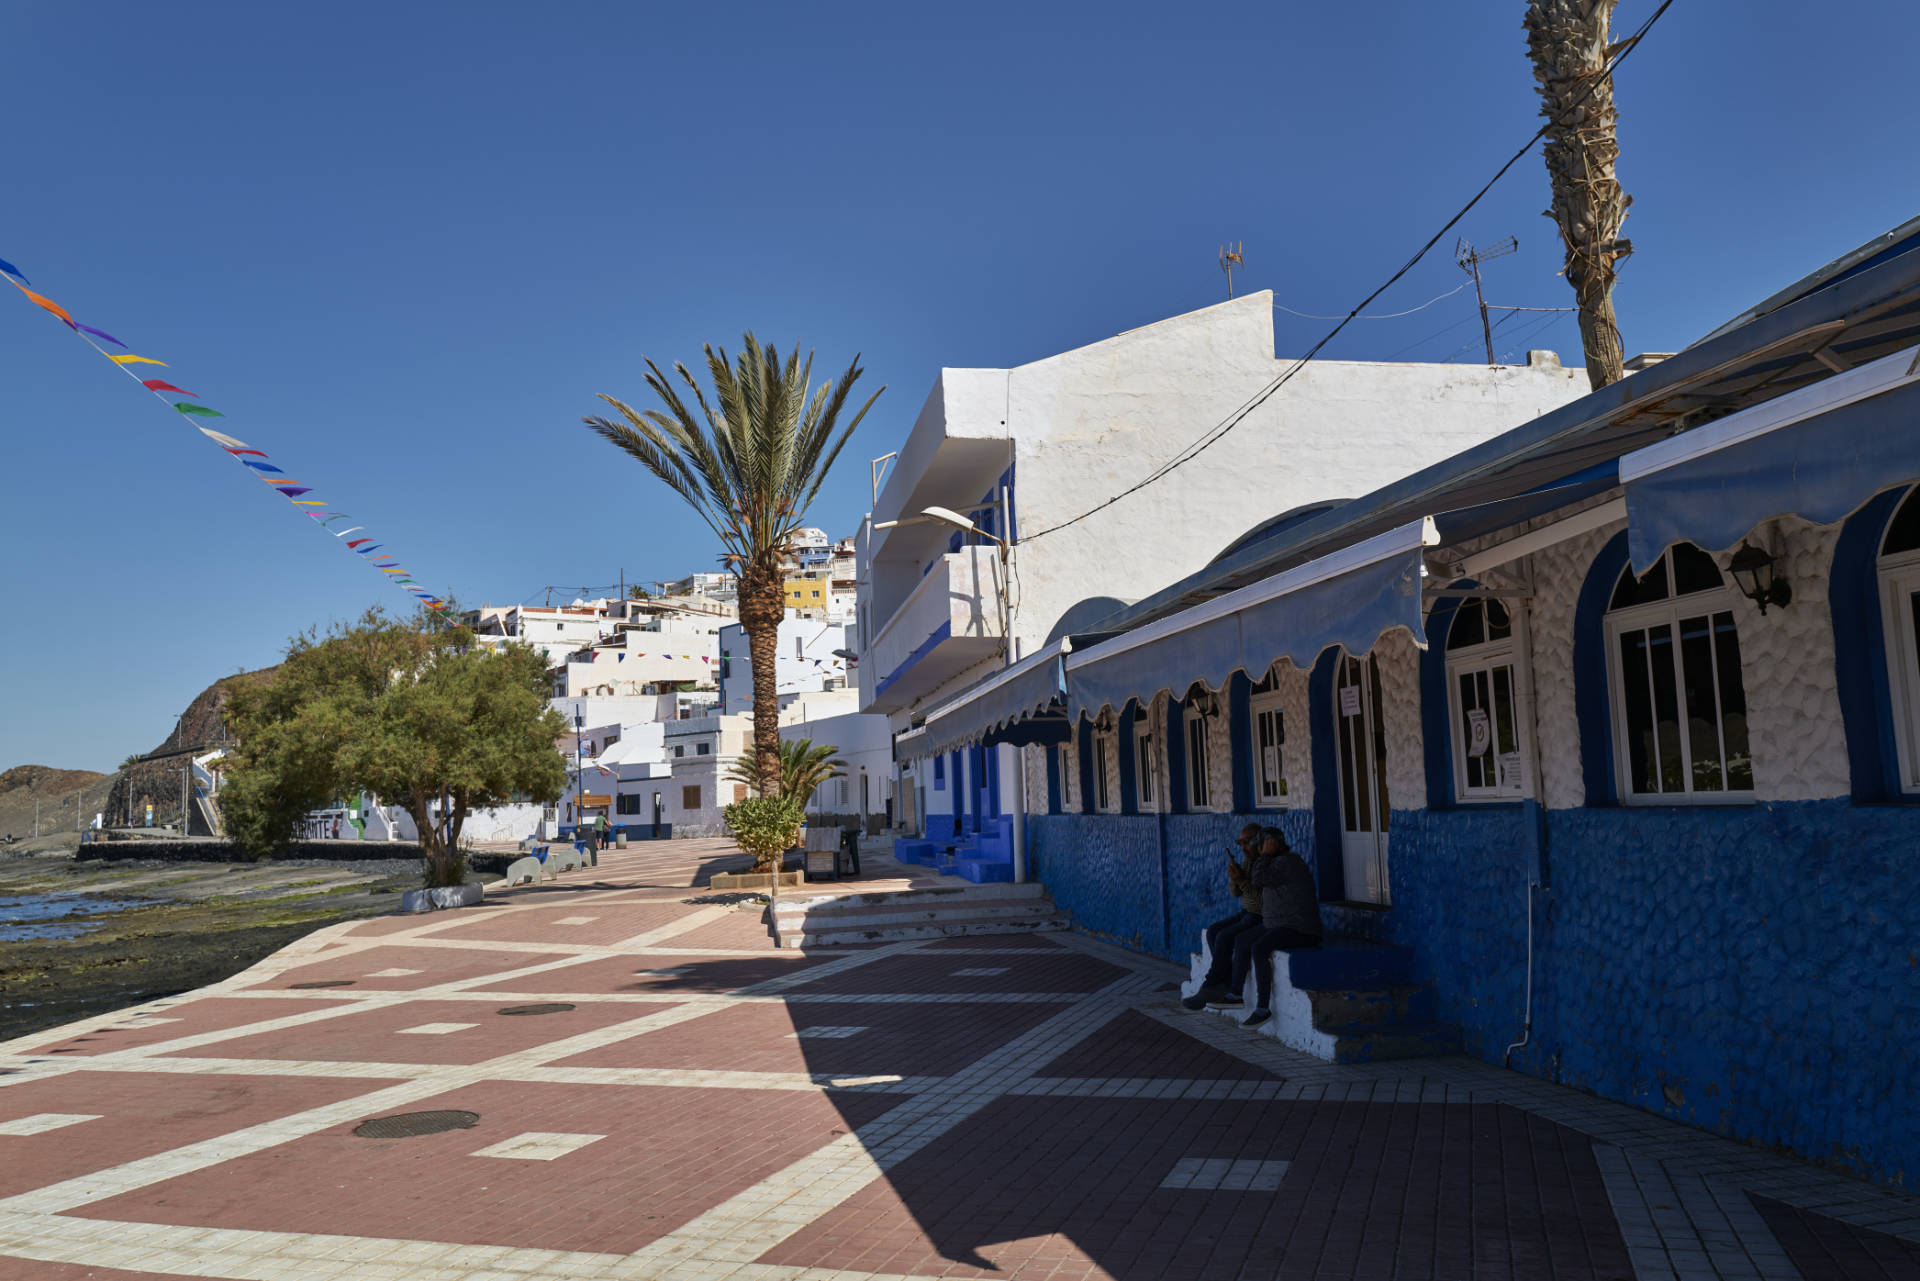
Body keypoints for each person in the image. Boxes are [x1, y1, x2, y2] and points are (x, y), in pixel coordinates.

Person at [1209, 826, 1323, 1027]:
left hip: (1300, 928)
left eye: (1262, 846)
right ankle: (1235, 993)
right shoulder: (1277, 863)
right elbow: (1253, 882)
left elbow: (1258, 878)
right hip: (1279, 923)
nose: (1259, 850)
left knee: (1259, 948)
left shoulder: (1287, 862)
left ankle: (1263, 1008)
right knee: (1242, 940)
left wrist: (1265, 855)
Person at [1182, 823, 1271, 1011]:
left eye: (1247, 843)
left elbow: (1265, 901)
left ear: (1260, 842)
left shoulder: (1267, 865)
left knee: (1225, 937)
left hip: (1261, 916)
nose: (1243, 848)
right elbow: (1235, 894)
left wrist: (1242, 881)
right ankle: (1224, 979)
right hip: (1246, 913)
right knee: (1213, 932)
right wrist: (1234, 879)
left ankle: (1211, 985)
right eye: (1240, 843)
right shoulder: (1248, 862)